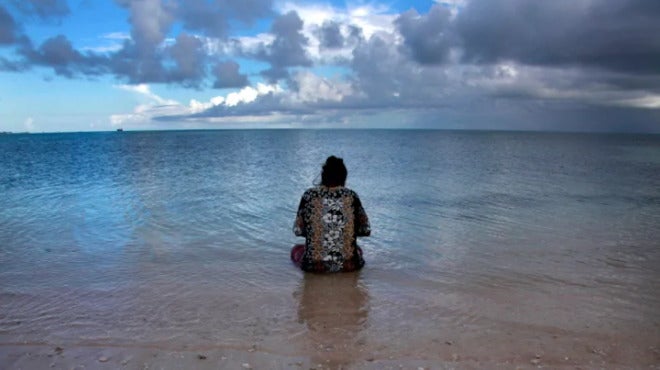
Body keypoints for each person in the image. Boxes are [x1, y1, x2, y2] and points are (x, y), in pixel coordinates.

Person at [291, 156, 371, 273]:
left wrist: (319, 229)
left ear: (323, 176)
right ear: (344, 177)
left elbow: (298, 230)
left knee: (296, 250)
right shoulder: (351, 196)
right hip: (348, 266)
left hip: (314, 267)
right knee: (358, 250)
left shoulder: (309, 195)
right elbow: (366, 230)